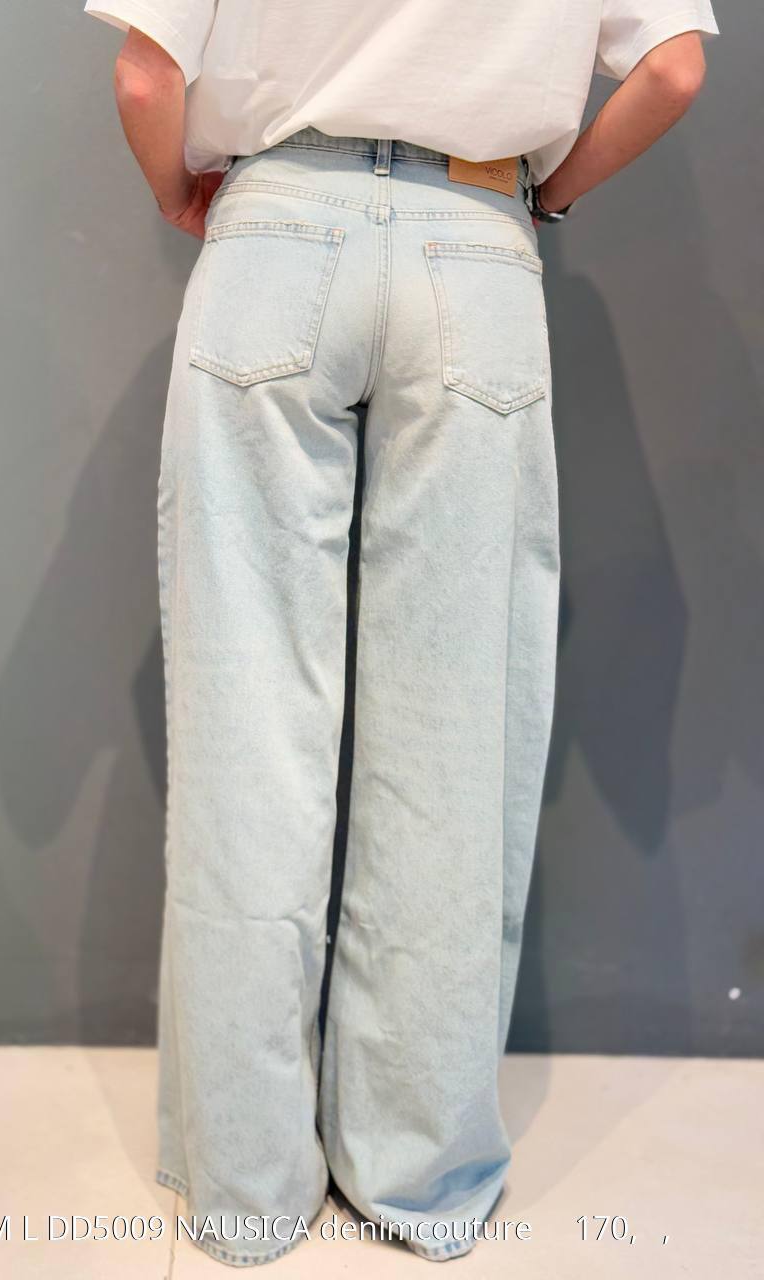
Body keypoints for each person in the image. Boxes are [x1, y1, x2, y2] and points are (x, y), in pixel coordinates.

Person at [84, 0, 719, 1267]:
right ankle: (418, 1175)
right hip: (475, 246)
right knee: (449, 738)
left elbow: (147, 80)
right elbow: (674, 68)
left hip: (275, 231)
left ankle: (248, 1183)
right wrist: (546, 194)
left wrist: (179, 196)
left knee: (251, 726)